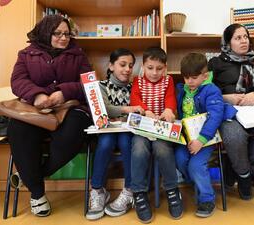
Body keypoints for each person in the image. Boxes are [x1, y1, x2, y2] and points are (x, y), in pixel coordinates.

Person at [7, 15, 93, 217]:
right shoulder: (26, 54)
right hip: (35, 108)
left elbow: (88, 83)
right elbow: (17, 81)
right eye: (57, 33)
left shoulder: (78, 55)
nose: (63, 38)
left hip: (70, 107)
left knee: (74, 131)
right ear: (46, 32)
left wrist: (64, 92)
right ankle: (37, 194)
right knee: (18, 130)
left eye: (67, 34)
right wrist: (37, 95)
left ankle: (30, 177)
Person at [208, 23, 254, 200]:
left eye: (246, 37)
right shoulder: (215, 63)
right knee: (235, 136)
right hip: (228, 111)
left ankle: (234, 167)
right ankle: (243, 176)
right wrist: (226, 97)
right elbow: (206, 89)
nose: (244, 41)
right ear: (228, 42)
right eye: (238, 38)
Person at [175, 53, 236, 218]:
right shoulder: (183, 90)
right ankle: (195, 181)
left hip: (205, 139)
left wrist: (201, 140)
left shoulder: (211, 90)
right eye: (186, 77)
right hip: (186, 137)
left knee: (195, 166)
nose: (189, 81)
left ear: (206, 75)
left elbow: (215, 116)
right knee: (180, 160)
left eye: (194, 78)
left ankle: (207, 198)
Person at [86, 48, 144, 220]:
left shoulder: (135, 87)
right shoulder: (101, 86)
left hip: (127, 131)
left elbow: (139, 111)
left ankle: (129, 190)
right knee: (105, 143)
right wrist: (128, 109)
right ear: (111, 66)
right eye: (122, 64)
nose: (127, 69)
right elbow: (104, 109)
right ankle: (97, 190)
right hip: (108, 131)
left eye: (131, 66)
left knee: (127, 143)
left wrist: (130, 112)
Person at [130, 46, 183, 223]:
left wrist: (169, 110)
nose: (154, 73)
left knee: (162, 149)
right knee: (138, 149)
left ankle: (172, 189)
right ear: (143, 66)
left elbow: (170, 99)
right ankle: (138, 192)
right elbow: (135, 99)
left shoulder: (168, 81)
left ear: (165, 67)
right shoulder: (137, 81)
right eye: (150, 68)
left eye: (159, 69)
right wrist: (145, 110)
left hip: (161, 128)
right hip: (143, 128)